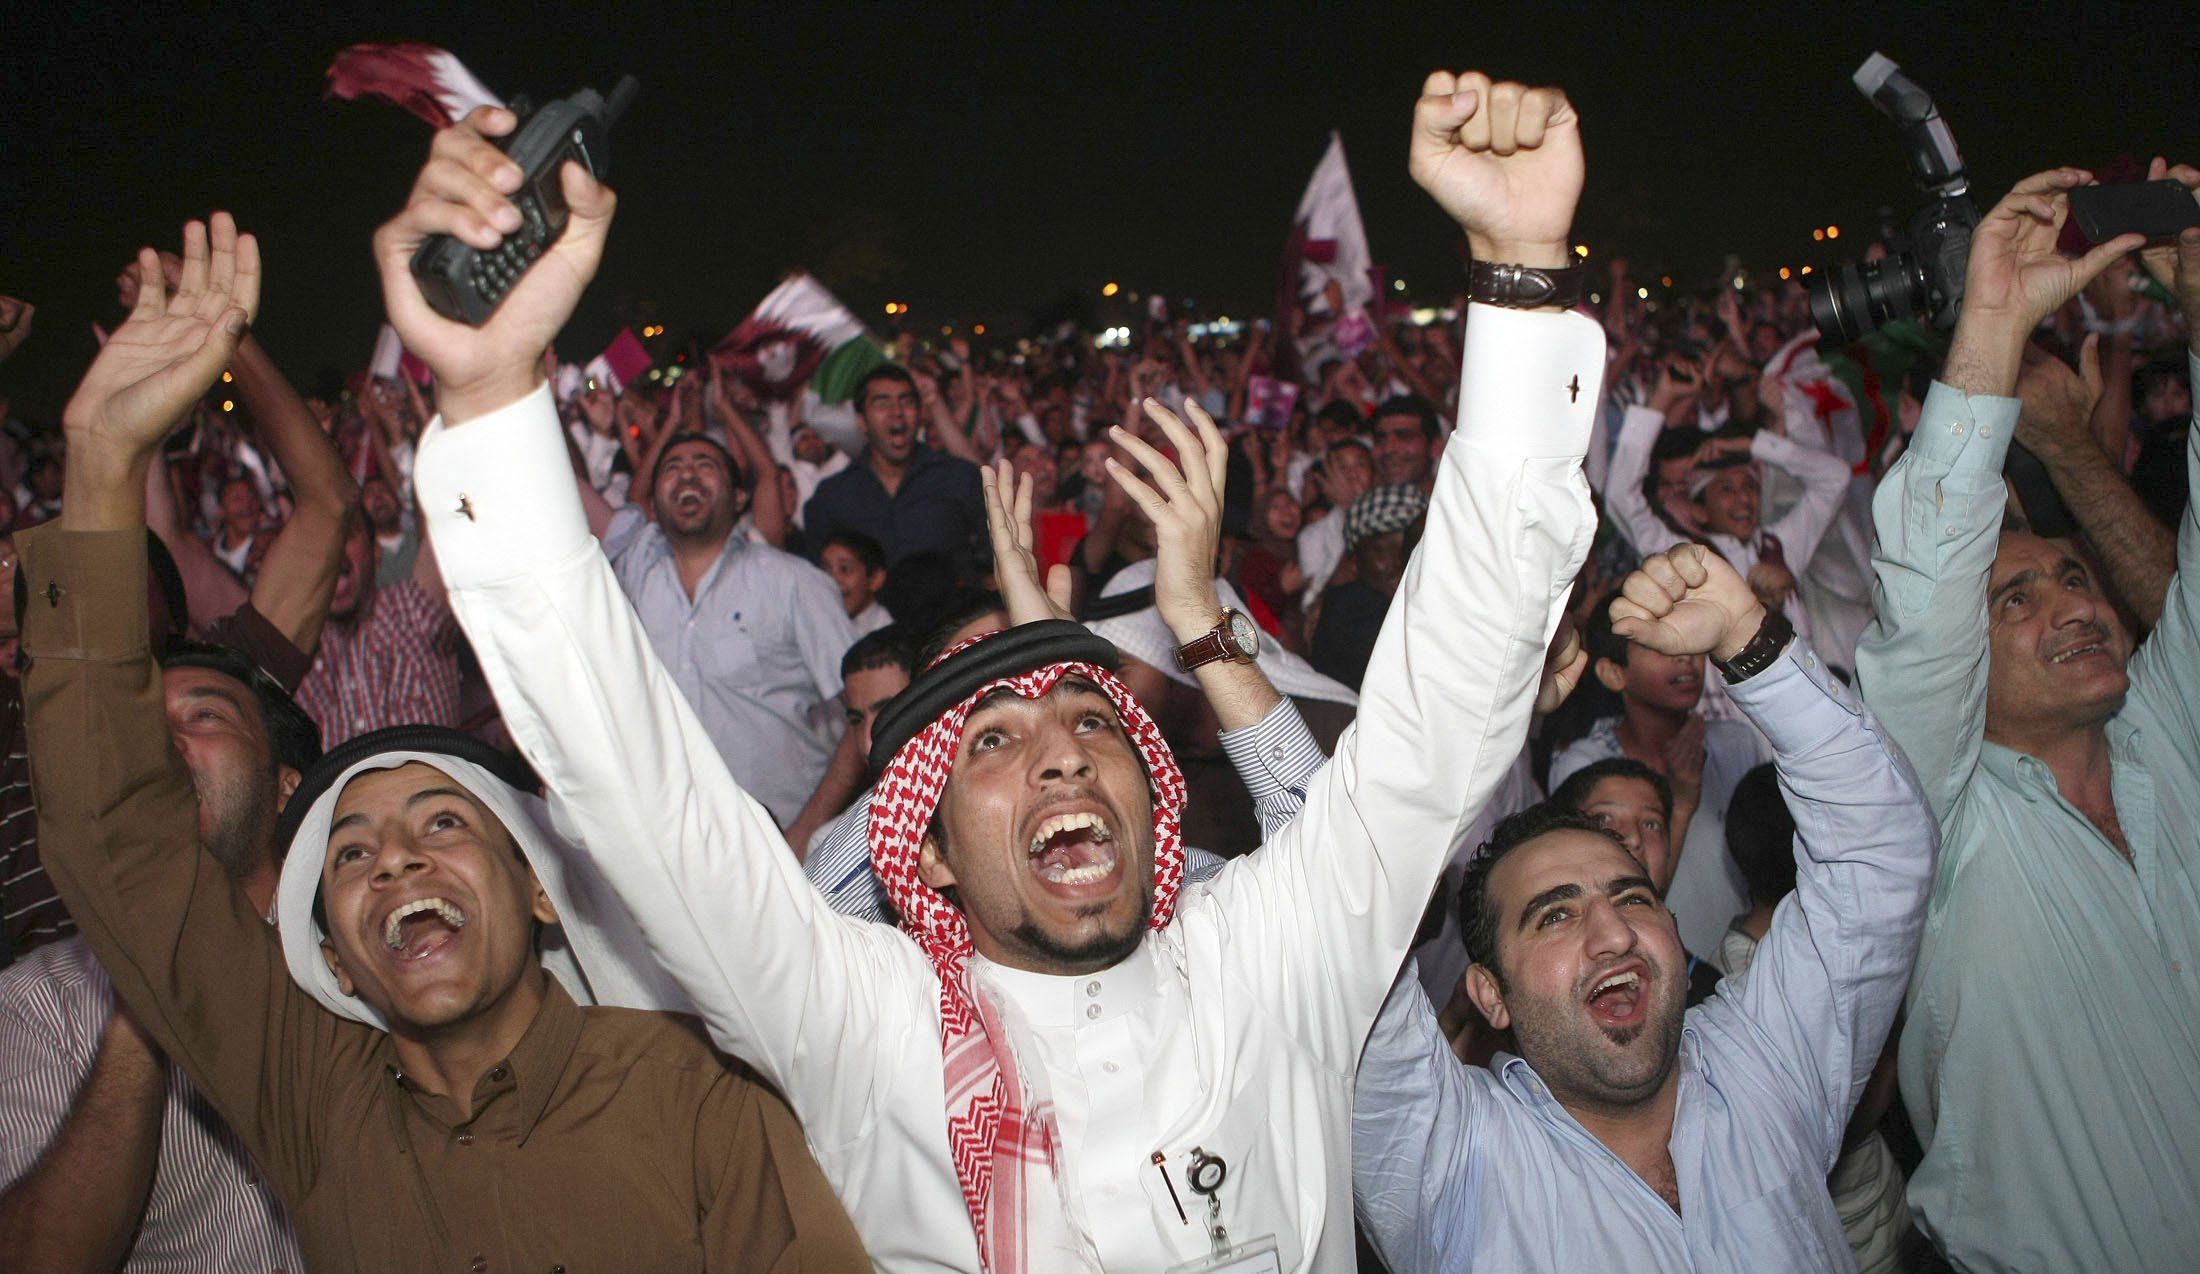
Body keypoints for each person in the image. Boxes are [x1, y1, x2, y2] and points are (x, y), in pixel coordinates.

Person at [386, 71, 1601, 1270]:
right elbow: (648, 804)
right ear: (922, 851)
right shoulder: (861, 1022)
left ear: (1153, 790)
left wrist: (1522, 279)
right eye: (991, 740)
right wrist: (492, 396)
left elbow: (1443, 710)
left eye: (1088, 716)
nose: (1061, 746)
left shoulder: (1269, 954)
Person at [23, 213, 867, 1271]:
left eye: (442, 820)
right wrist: (101, 459)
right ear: (326, 950)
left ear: (541, 888)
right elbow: (119, 843)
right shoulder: (310, 1101)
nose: (399, 859)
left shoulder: (696, 1093)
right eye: (352, 853)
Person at [1353, 543, 1936, 1273]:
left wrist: (1747, 638)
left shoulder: (1767, 1068)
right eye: (1555, 915)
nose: (1612, 932)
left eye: (1631, 895)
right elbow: (1344, 910)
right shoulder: (1452, 1166)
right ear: (1490, 995)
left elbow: (1880, 850)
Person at [1855, 162, 2200, 1272]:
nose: (2073, 600)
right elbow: (1922, 592)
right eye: (2016, 596)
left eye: (2072, 574)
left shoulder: (2170, 739)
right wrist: (1994, 327)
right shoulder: (1933, 825)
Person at [0, 643, 310, 1271]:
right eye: (139, 729)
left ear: (286, 787)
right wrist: (146, 989)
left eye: (205, 717)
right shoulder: (37, 1003)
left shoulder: (363, 960)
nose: (160, 745)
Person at [594, 428, 854, 824]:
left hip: (784, 834)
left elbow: (863, 714)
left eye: (705, 465)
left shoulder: (792, 582)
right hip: (673, 835)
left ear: (739, 497)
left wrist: (807, 834)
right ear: (653, 501)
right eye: (672, 467)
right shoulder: (636, 578)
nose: (687, 475)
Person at [1551, 589, 1770, 960]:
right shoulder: (1586, 766)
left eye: (1687, 639)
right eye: (1660, 646)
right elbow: (1612, 897)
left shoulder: (1734, 742)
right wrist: (1681, 801)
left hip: (1745, 961)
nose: (1684, 656)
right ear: (1614, 673)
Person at [802, 364, 987, 573]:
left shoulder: (958, 478)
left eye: (906, 402)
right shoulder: (833, 496)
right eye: (882, 404)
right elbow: (816, 583)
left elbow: (998, 556)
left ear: (919, 415)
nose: (896, 412)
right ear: (862, 421)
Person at [1309, 482, 1426, 690]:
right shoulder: (1352, 608)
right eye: (1381, 549)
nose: (1399, 560)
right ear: (1354, 563)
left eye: (1411, 545)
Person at [821, 528, 894, 634]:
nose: (832, 580)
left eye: (845, 569)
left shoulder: (887, 635)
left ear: (875, 579)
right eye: (825, 570)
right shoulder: (818, 625)